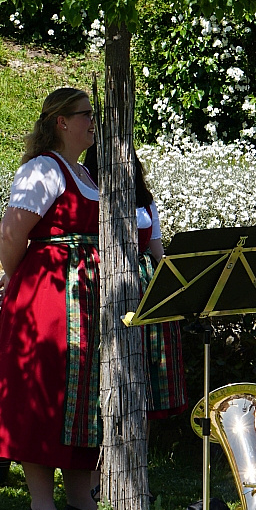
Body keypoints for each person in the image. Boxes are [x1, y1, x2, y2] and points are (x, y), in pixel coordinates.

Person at [0, 87, 102, 510]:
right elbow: (12, 235)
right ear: (61, 123)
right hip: (48, 296)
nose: (93, 121)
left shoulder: (85, 173)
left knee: (81, 393)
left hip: (83, 296)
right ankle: (41, 503)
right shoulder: (42, 169)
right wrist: (19, 280)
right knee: (44, 389)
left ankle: (81, 497)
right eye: (85, 114)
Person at [83, 146, 187, 419]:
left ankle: (140, 442)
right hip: (103, 283)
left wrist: (178, 284)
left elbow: (156, 248)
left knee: (144, 368)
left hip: (143, 283)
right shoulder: (91, 195)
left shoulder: (144, 200)